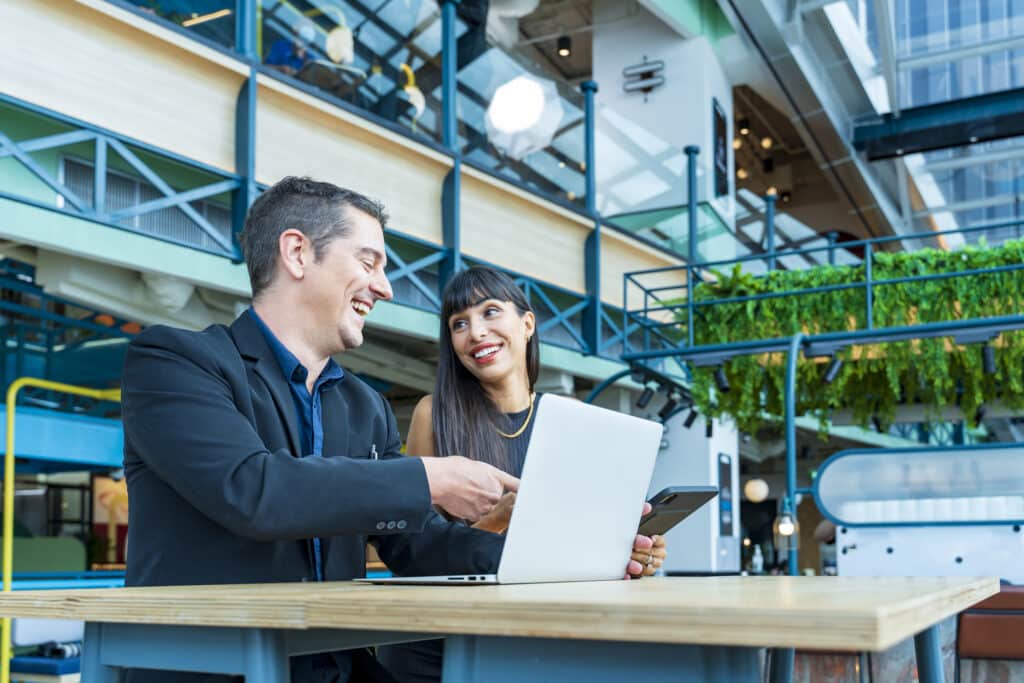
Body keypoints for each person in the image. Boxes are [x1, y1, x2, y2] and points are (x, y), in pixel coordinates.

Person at [121, 177, 522, 683]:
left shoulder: (363, 405)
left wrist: (549, 558)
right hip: (215, 668)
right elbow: (252, 490)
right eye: (369, 262)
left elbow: (412, 542)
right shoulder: (176, 362)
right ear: (297, 253)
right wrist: (427, 478)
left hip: (331, 666)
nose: (385, 287)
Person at [378, 266, 668, 682]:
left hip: (531, 637)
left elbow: (577, 551)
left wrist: (633, 551)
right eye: (460, 324)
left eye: (490, 312)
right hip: (435, 640)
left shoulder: (572, 423)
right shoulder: (433, 414)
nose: (476, 332)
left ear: (527, 323)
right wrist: (499, 519)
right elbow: (414, 551)